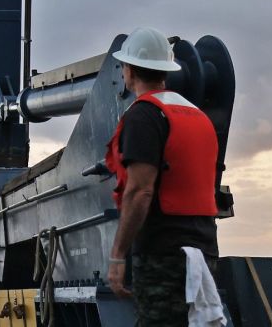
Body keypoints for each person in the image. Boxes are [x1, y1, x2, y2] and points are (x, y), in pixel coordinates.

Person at [105, 26, 222, 325]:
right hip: (205, 251)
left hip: (163, 254)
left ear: (129, 71)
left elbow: (139, 191)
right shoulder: (198, 117)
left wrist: (118, 255)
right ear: (165, 71)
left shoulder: (143, 116)